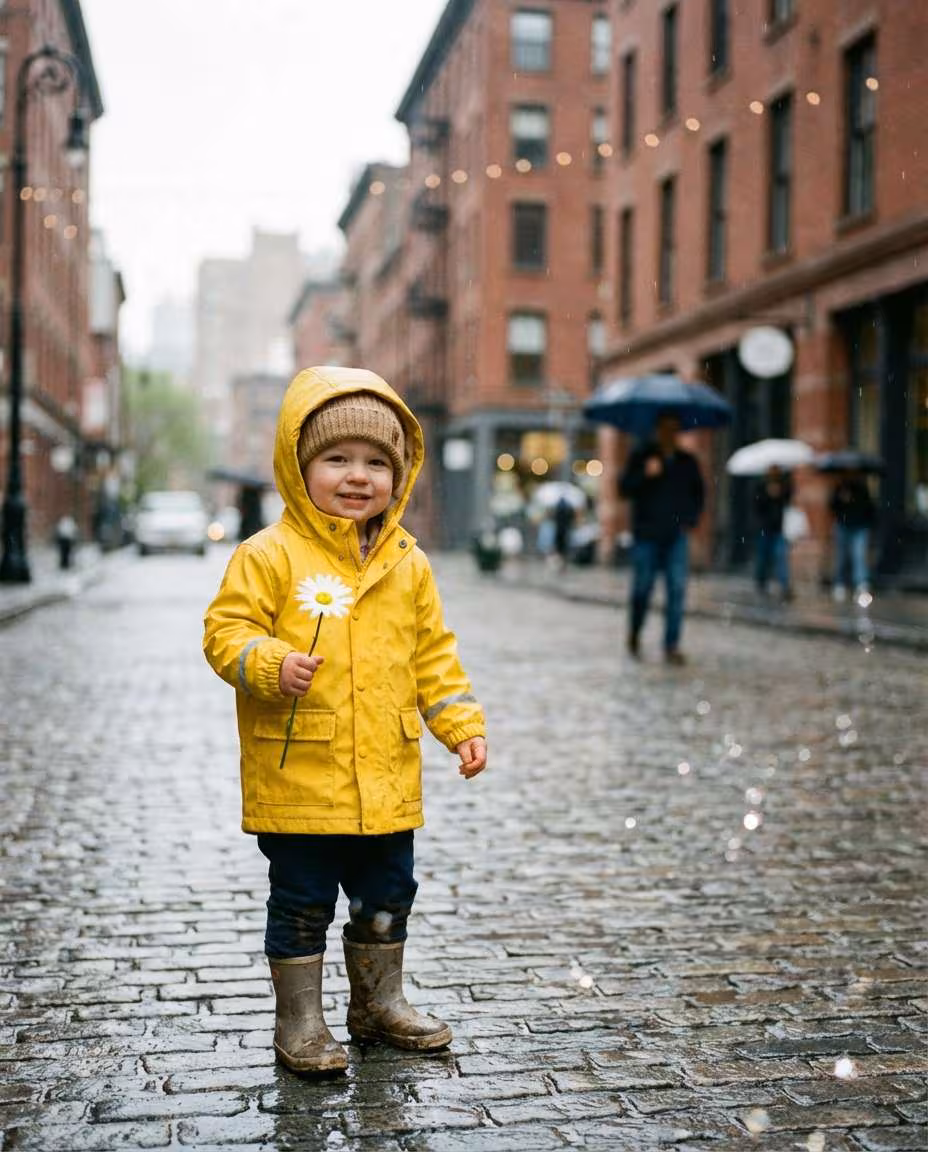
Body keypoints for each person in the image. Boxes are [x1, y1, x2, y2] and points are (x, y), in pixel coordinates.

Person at [203, 366, 487, 1076]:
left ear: (399, 474)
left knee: (388, 894)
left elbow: (432, 655)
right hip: (300, 775)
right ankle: (300, 1020)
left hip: (386, 775)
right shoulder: (268, 555)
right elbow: (225, 632)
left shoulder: (407, 563)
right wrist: (269, 662)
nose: (357, 477)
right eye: (336, 459)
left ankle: (378, 1003)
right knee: (302, 901)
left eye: (376, 463)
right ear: (300, 470)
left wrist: (460, 723)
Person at [619, 409, 705, 664]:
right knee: (642, 589)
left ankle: (671, 645)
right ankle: (635, 633)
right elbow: (623, 488)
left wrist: (690, 520)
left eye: (673, 428)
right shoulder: (642, 455)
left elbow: (698, 494)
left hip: (675, 536)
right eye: (664, 428)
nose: (669, 433)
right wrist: (645, 474)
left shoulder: (687, 461)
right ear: (657, 430)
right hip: (646, 534)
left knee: (677, 590)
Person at [830, 468, 876, 601]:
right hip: (843, 526)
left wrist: (854, 501)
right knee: (842, 555)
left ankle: (861, 583)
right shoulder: (839, 488)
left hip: (860, 526)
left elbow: (869, 508)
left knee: (859, 554)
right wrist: (841, 499)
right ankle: (840, 583)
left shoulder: (862, 488)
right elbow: (832, 506)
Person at [753, 464, 794, 600]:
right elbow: (756, 505)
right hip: (765, 528)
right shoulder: (760, 485)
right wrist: (767, 494)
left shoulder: (784, 484)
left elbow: (789, 500)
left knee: (781, 556)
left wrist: (779, 493)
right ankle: (761, 583)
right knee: (763, 558)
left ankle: (784, 586)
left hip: (780, 528)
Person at [551, 494, 576, 569]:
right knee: (564, 545)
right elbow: (572, 518)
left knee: (560, 545)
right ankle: (562, 559)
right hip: (565, 530)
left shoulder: (558, 509)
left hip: (560, 530)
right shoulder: (568, 509)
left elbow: (553, 518)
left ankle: (560, 559)